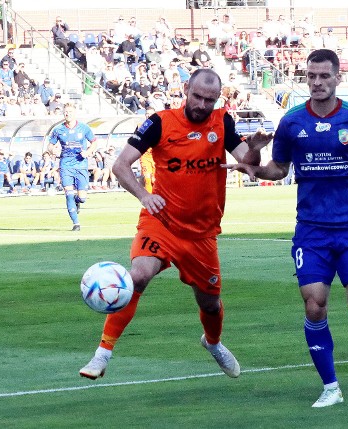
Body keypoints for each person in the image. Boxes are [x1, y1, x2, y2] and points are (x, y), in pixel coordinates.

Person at [223, 49, 348, 408]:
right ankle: (331, 386)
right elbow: (279, 170)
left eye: (324, 76)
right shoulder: (291, 123)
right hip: (312, 230)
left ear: (338, 78)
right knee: (314, 305)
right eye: (311, 76)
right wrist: (251, 163)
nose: (317, 83)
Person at [78, 68, 274, 381]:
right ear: (186, 89)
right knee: (138, 276)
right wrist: (144, 196)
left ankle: (212, 343)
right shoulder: (159, 123)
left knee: (210, 304)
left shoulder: (222, 121)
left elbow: (249, 165)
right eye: (197, 96)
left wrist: (255, 148)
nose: (202, 105)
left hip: (202, 235)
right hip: (162, 223)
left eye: (210, 99)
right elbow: (120, 165)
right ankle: (102, 354)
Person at [47, 103, 97, 231]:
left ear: (75, 113)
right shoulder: (58, 130)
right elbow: (50, 146)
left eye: (70, 111)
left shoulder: (84, 128)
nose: (67, 113)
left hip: (81, 165)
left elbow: (94, 142)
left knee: (83, 198)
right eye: (65, 112)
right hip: (65, 165)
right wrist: (53, 151)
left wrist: (88, 152)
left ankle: (77, 200)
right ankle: (76, 223)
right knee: (68, 193)